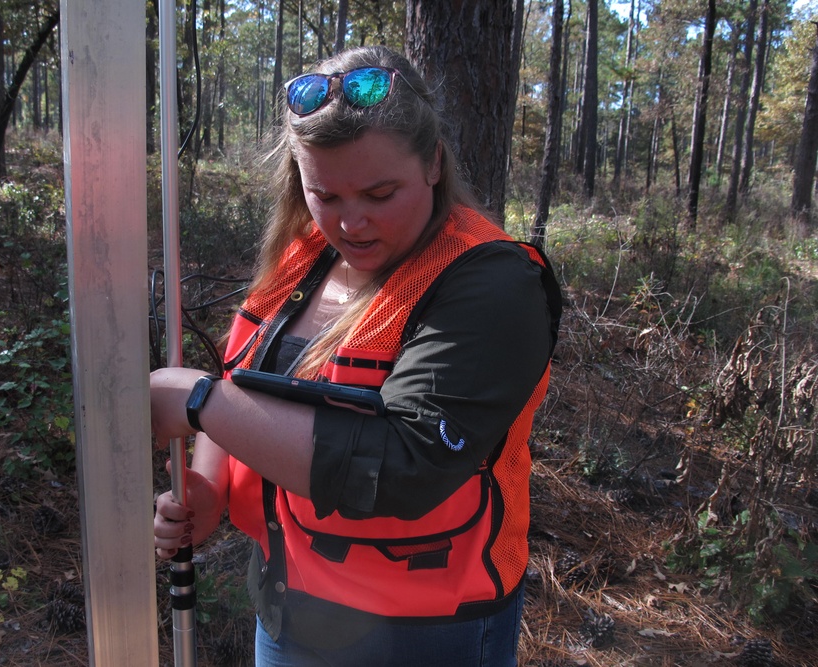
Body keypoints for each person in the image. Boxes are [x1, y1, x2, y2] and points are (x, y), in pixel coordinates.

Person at [150, 45, 562, 667]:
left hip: (424, 634)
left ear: (433, 164)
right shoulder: (303, 258)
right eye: (326, 195)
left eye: (379, 192)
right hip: (291, 609)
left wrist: (198, 403)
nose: (352, 223)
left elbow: (405, 465)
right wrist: (208, 487)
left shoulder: (493, 283)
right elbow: (244, 379)